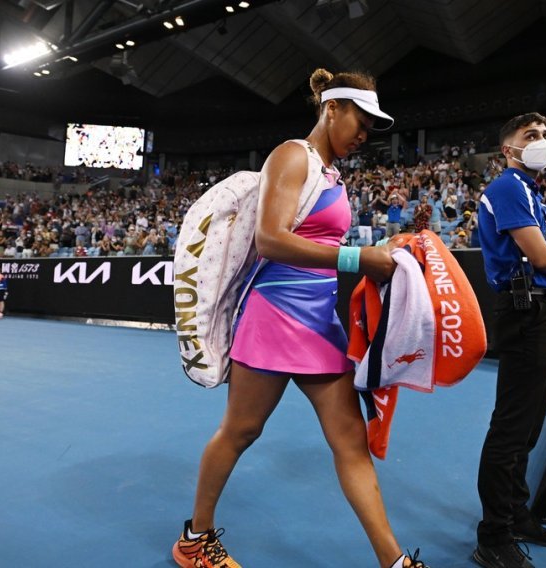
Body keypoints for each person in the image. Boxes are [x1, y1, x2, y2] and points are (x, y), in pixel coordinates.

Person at [173, 68, 429, 568]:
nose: (365, 134)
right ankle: (194, 541)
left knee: (350, 443)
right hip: (272, 318)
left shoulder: (331, 175)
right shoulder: (292, 156)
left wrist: (382, 253)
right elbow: (271, 239)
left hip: (318, 324)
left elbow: (324, 245)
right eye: (360, 120)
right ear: (332, 107)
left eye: (373, 126)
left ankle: (394, 563)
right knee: (240, 432)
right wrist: (360, 258)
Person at [474, 113, 546, 568]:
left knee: (530, 426)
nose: (541, 141)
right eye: (531, 135)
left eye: (545, 134)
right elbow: (542, 255)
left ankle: (516, 513)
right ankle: (493, 536)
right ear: (508, 149)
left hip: (545, 310)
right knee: (511, 429)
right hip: (525, 315)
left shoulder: (531, 191)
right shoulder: (508, 186)